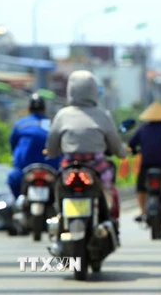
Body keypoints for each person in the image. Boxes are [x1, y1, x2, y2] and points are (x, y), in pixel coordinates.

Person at [46, 70, 127, 222]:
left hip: (69, 166)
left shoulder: (62, 115)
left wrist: (51, 152)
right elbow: (116, 145)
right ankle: (110, 219)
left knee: (57, 184)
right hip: (97, 166)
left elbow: (52, 145)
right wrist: (122, 153)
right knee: (108, 188)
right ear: (94, 90)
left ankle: (58, 215)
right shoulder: (103, 115)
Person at [7, 93, 61, 199]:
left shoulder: (21, 124)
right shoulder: (51, 123)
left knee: (12, 179)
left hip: (24, 169)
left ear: (29, 108)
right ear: (44, 108)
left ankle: (19, 203)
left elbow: (13, 145)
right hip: (52, 168)